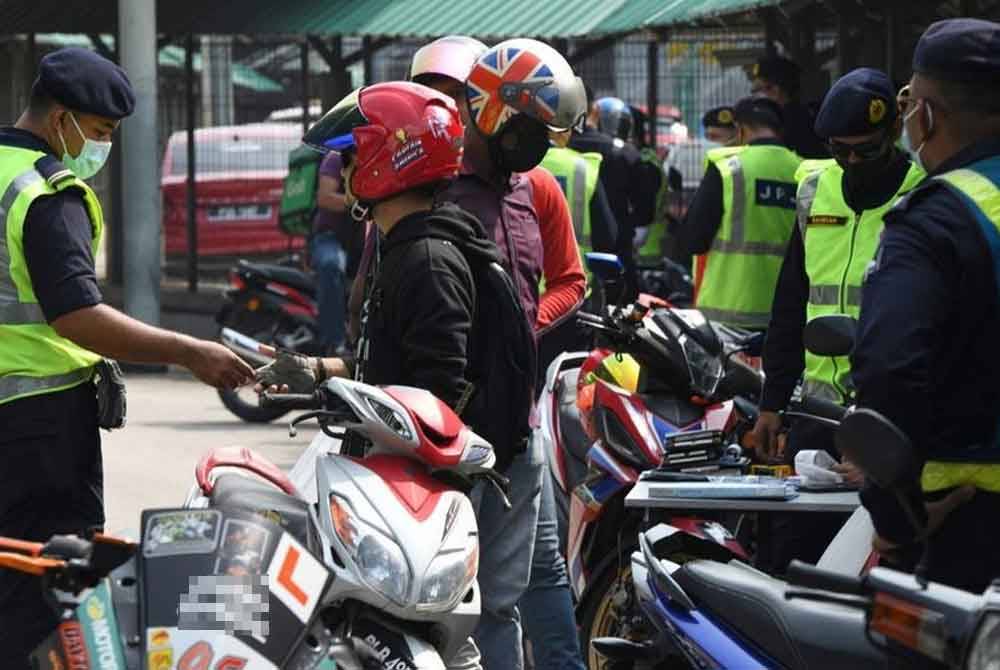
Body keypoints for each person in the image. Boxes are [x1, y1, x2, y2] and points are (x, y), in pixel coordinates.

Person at [0, 48, 253, 666]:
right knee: (47, 588)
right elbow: (77, 317)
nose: (103, 147)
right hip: (40, 429)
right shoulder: (47, 195)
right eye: (102, 132)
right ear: (61, 119)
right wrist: (187, 351)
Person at [748, 68, 924, 573]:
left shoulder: (922, 197)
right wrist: (772, 403)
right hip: (817, 413)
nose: (850, 161)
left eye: (863, 150)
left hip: (888, 417)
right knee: (794, 560)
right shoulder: (814, 190)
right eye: (838, 149)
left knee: (881, 566)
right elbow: (790, 304)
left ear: (893, 132)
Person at [850, 19, 1000, 603]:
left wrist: (894, 515)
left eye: (909, 102)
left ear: (928, 116)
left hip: (959, 529)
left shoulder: (936, 218)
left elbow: (889, 371)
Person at [677, 96, 801, 330]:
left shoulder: (728, 167)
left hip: (728, 315)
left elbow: (693, 239)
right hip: (787, 314)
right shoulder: (803, 170)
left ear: (740, 130)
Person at [571, 89, 654, 296]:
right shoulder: (626, 154)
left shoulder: (558, 152)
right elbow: (645, 211)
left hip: (569, 254)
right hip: (617, 254)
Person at [309, 150, 349, 353]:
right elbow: (325, 198)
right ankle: (334, 343)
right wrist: (359, 200)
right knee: (331, 266)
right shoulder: (336, 157)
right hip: (329, 237)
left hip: (360, 241)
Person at [750, 55, 828, 159]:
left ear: (775, 90)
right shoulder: (810, 115)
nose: (753, 96)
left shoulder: (783, 124)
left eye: (757, 90)